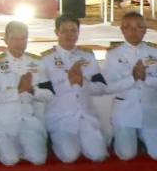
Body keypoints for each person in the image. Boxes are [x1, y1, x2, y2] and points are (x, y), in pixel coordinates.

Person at [101, 10, 157, 161]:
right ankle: (122, 139)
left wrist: (147, 79)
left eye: (139, 27)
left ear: (145, 30)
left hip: (150, 112)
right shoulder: (113, 54)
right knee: (127, 155)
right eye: (128, 27)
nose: (134, 31)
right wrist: (132, 78)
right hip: (125, 112)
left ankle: (142, 139)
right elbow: (107, 87)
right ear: (122, 30)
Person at [36, 14, 108, 163]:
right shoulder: (45, 59)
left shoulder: (88, 56)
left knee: (98, 156)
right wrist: (69, 82)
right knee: (69, 157)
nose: (70, 35)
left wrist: (82, 82)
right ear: (57, 32)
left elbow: (101, 88)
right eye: (65, 31)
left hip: (85, 116)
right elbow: (44, 94)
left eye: (73, 30)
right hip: (61, 117)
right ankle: (55, 140)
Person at [0, 21, 49, 166]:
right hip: (3, 121)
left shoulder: (37, 62)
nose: (19, 43)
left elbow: (49, 94)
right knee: (10, 160)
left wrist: (32, 90)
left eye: (23, 38)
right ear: (6, 39)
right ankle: (0, 143)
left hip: (26, 119)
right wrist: (18, 90)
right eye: (14, 38)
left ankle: (25, 145)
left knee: (38, 160)